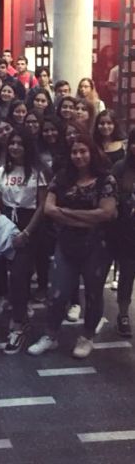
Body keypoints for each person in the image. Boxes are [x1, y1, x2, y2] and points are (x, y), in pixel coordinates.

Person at [28, 134, 117, 359]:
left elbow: (106, 213)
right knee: (57, 293)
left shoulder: (106, 179)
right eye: (74, 152)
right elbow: (49, 209)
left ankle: (87, 336)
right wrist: (88, 217)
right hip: (66, 243)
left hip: (97, 246)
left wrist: (66, 213)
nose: (78, 156)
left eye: (83, 151)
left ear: (92, 152)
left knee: (94, 294)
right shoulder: (62, 177)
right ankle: (51, 335)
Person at [0, 127, 48, 354]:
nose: (15, 147)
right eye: (12, 143)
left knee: (19, 275)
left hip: (29, 224)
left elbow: (42, 205)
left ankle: (18, 324)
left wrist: (26, 233)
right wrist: (3, 224)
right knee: (5, 272)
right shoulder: (2, 171)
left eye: (19, 143)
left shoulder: (38, 172)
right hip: (7, 223)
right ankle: (19, 310)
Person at [111, 129, 135, 337]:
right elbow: (112, 199)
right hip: (128, 233)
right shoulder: (120, 168)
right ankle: (123, 314)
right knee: (127, 275)